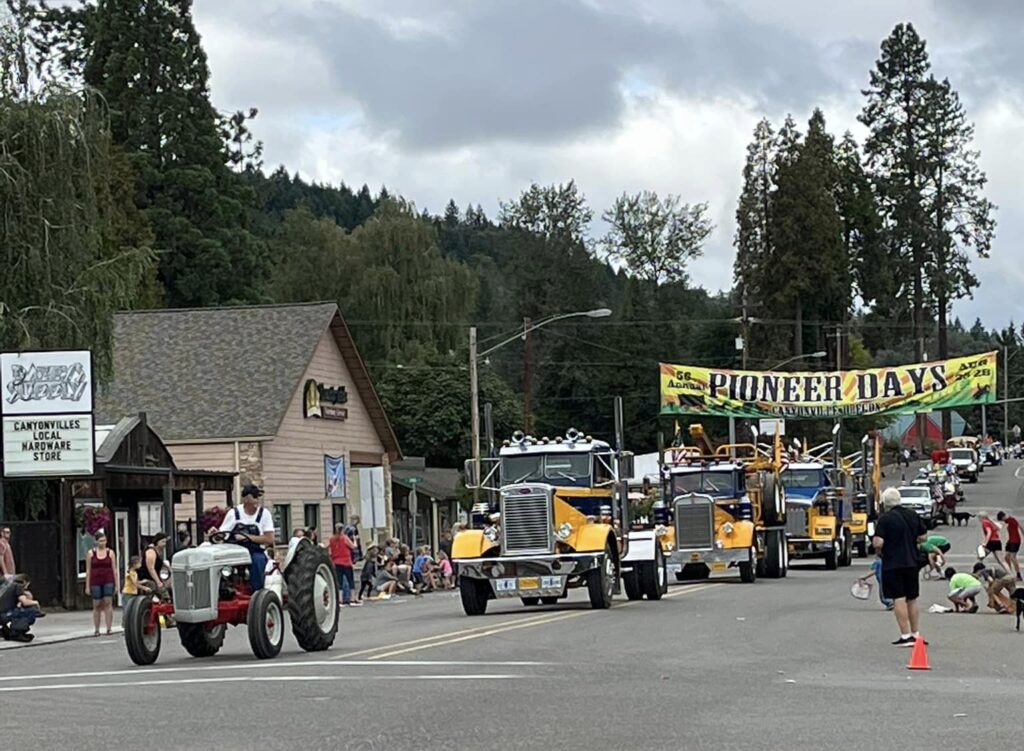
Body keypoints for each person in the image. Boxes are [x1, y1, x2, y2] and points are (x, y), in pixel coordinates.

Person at [872, 487, 927, 647]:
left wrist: (879, 546)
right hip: (912, 561)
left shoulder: (886, 519)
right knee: (912, 598)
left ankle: (905, 635)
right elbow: (923, 537)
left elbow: (878, 542)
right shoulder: (912, 515)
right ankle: (916, 634)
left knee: (899, 598)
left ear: (884, 503)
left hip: (893, 562)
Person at [218, 484, 276, 592]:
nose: (257, 501)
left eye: (257, 497)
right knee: (220, 564)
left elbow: (269, 539)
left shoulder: (264, 514)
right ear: (245, 499)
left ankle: (257, 592)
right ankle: (224, 589)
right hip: (234, 550)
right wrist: (216, 533)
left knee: (258, 561)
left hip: (255, 550)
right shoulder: (234, 513)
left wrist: (247, 537)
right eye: (254, 497)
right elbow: (223, 534)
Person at [84, 531, 119, 636]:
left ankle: (109, 628)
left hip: (108, 579)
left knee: (108, 602)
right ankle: (97, 629)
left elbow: (114, 569)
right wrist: (87, 586)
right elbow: (88, 570)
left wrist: (116, 585)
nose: (102, 543)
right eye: (100, 541)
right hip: (95, 580)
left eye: (104, 540)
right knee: (97, 604)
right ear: (96, 542)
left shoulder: (110, 553)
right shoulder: (91, 553)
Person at [329, 523, 360, 606]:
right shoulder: (345, 538)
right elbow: (353, 547)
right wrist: (355, 540)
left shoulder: (332, 539)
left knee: (339, 581)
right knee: (350, 581)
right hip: (346, 561)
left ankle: (340, 600)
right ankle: (352, 600)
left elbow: (327, 547)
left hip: (336, 561)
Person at [996, 511, 1022, 580]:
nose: (1003, 521)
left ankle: (1018, 575)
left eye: (1002, 519)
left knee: (1013, 558)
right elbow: (1020, 526)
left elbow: (1018, 526)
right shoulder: (1009, 521)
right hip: (1010, 541)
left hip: (1015, 541)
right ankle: (1010, 572)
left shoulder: (1011, 520)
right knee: (1006, 557)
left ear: (1003, 517)